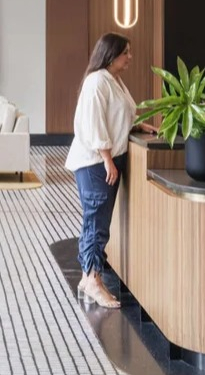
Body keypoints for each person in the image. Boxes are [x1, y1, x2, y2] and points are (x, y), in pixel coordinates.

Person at [66, 33, 157, 308]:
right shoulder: (97, 82)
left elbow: (119, 115)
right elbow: (94, 123)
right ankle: (93, 279)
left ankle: (88, 276)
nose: (130, 58)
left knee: (96, 221)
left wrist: (137, 126)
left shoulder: (113, 80)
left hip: (103, 159)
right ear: (111, 54)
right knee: (96, 222)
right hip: (95, 163)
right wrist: (106, 157)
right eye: (125, 53)